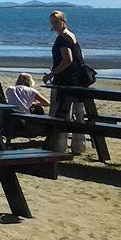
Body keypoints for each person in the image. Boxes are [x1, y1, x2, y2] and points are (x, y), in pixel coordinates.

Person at [43, 10, 87, 154]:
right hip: (77, 80)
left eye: (56, 22)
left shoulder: (63, 39)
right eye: (52, 22)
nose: (54, 25)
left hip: (66, 80)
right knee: (77, 113)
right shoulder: (72, 36)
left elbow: (67, 60)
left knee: (62, 113)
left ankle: (59, 146)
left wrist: (52, 73)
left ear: (63, 21)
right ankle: (78, 145)